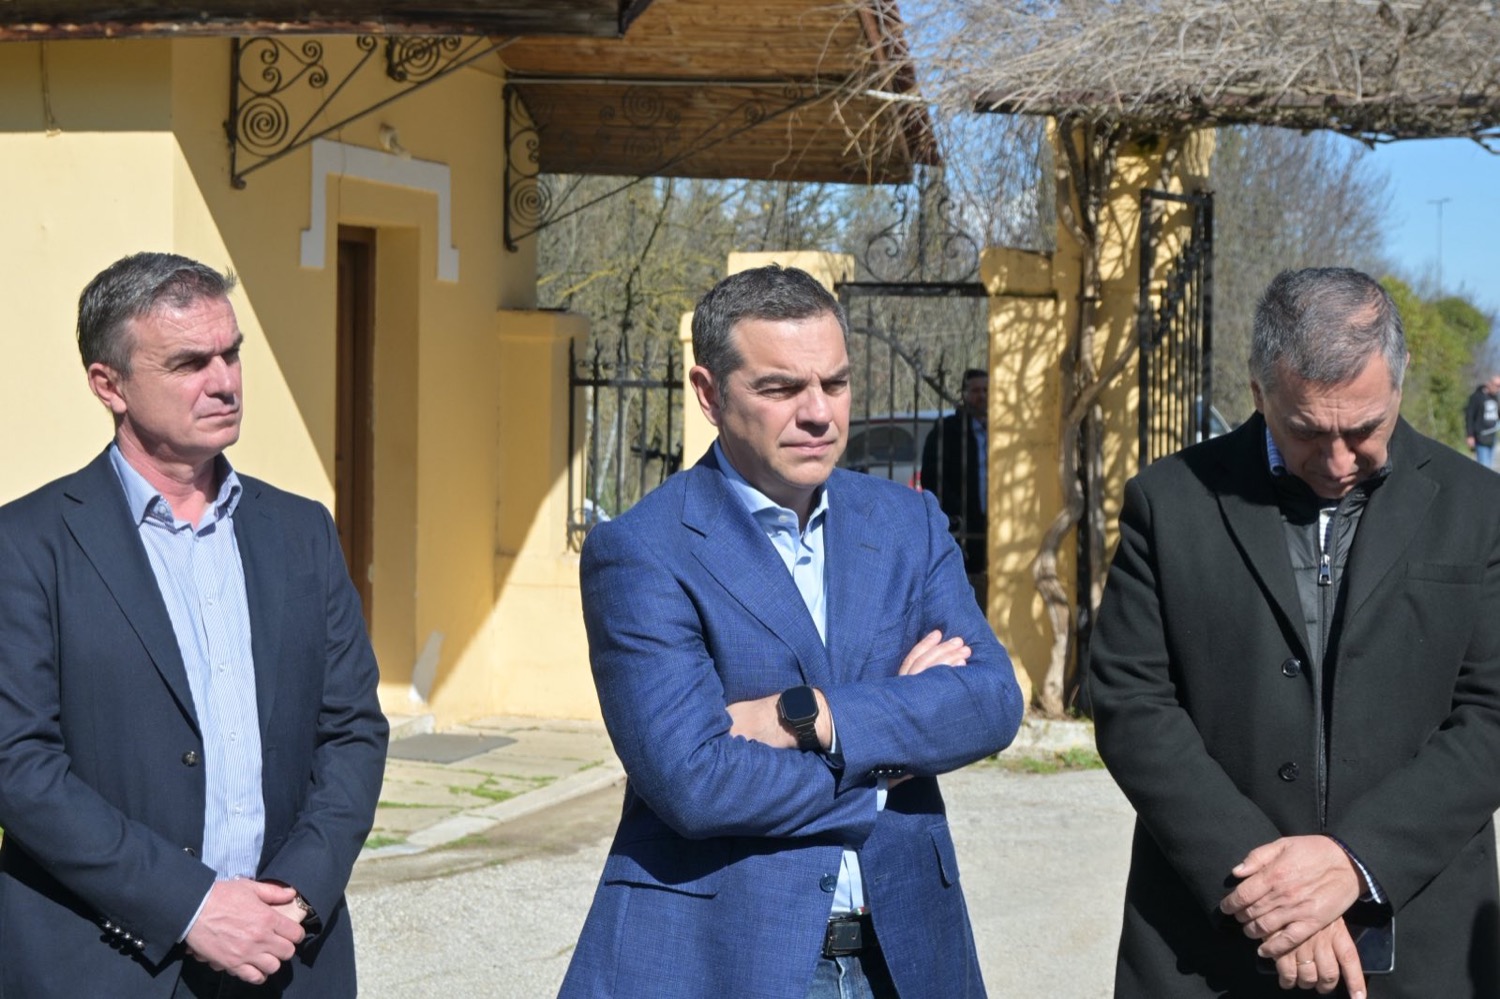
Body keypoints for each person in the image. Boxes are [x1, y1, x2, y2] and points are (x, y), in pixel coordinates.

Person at [560, 265, 1024, 999]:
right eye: (780, 388)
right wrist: (887, 758)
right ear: (709, 393)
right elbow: (693, 781)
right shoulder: (644, 550)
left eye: (835, 383)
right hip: (728, 960)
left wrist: (814, 716)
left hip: (909, 955)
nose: (818, 413)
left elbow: (991, 699)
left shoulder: (907, 522)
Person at [1089, 266, 1500, 998]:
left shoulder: (1480, 509)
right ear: (1258, 391)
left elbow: (1492, 712)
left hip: (1422, 940)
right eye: (1308, 431)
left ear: (1400, 378)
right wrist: (1271, 889)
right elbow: (1132, 703)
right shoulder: (1169, 502)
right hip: (1209, 944)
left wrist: (1355, 862)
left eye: (1365, 429)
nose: (1339, 462)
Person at [0, 253, 389, 997]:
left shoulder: (301, 531)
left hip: (286, 956)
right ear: (108, 385)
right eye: (188, 363)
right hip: (102, 964)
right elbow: (19, 766)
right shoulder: (26, 545)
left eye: (231, 353)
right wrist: (192, 905)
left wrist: (297, 894)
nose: (225, 381)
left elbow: (353, 731)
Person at [919, 368, 988, 599]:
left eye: (986, 390)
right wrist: (956, 512)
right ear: (964, 395)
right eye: (976, 391)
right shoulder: (947, 431)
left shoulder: (1005, 432)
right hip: (963, 527)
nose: (982, 396)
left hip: (997, 525)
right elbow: (932, 477)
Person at [1463, 373, 1500, 468]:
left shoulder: (1495, 398)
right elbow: (1469, 416)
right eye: (1497, 386)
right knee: (1484, 467)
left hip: (1492, 437)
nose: (1498, 389)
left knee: (1490, 467)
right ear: (1489, 383)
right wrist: (1470, 435)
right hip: (1480, 437)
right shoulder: (1476, 397)